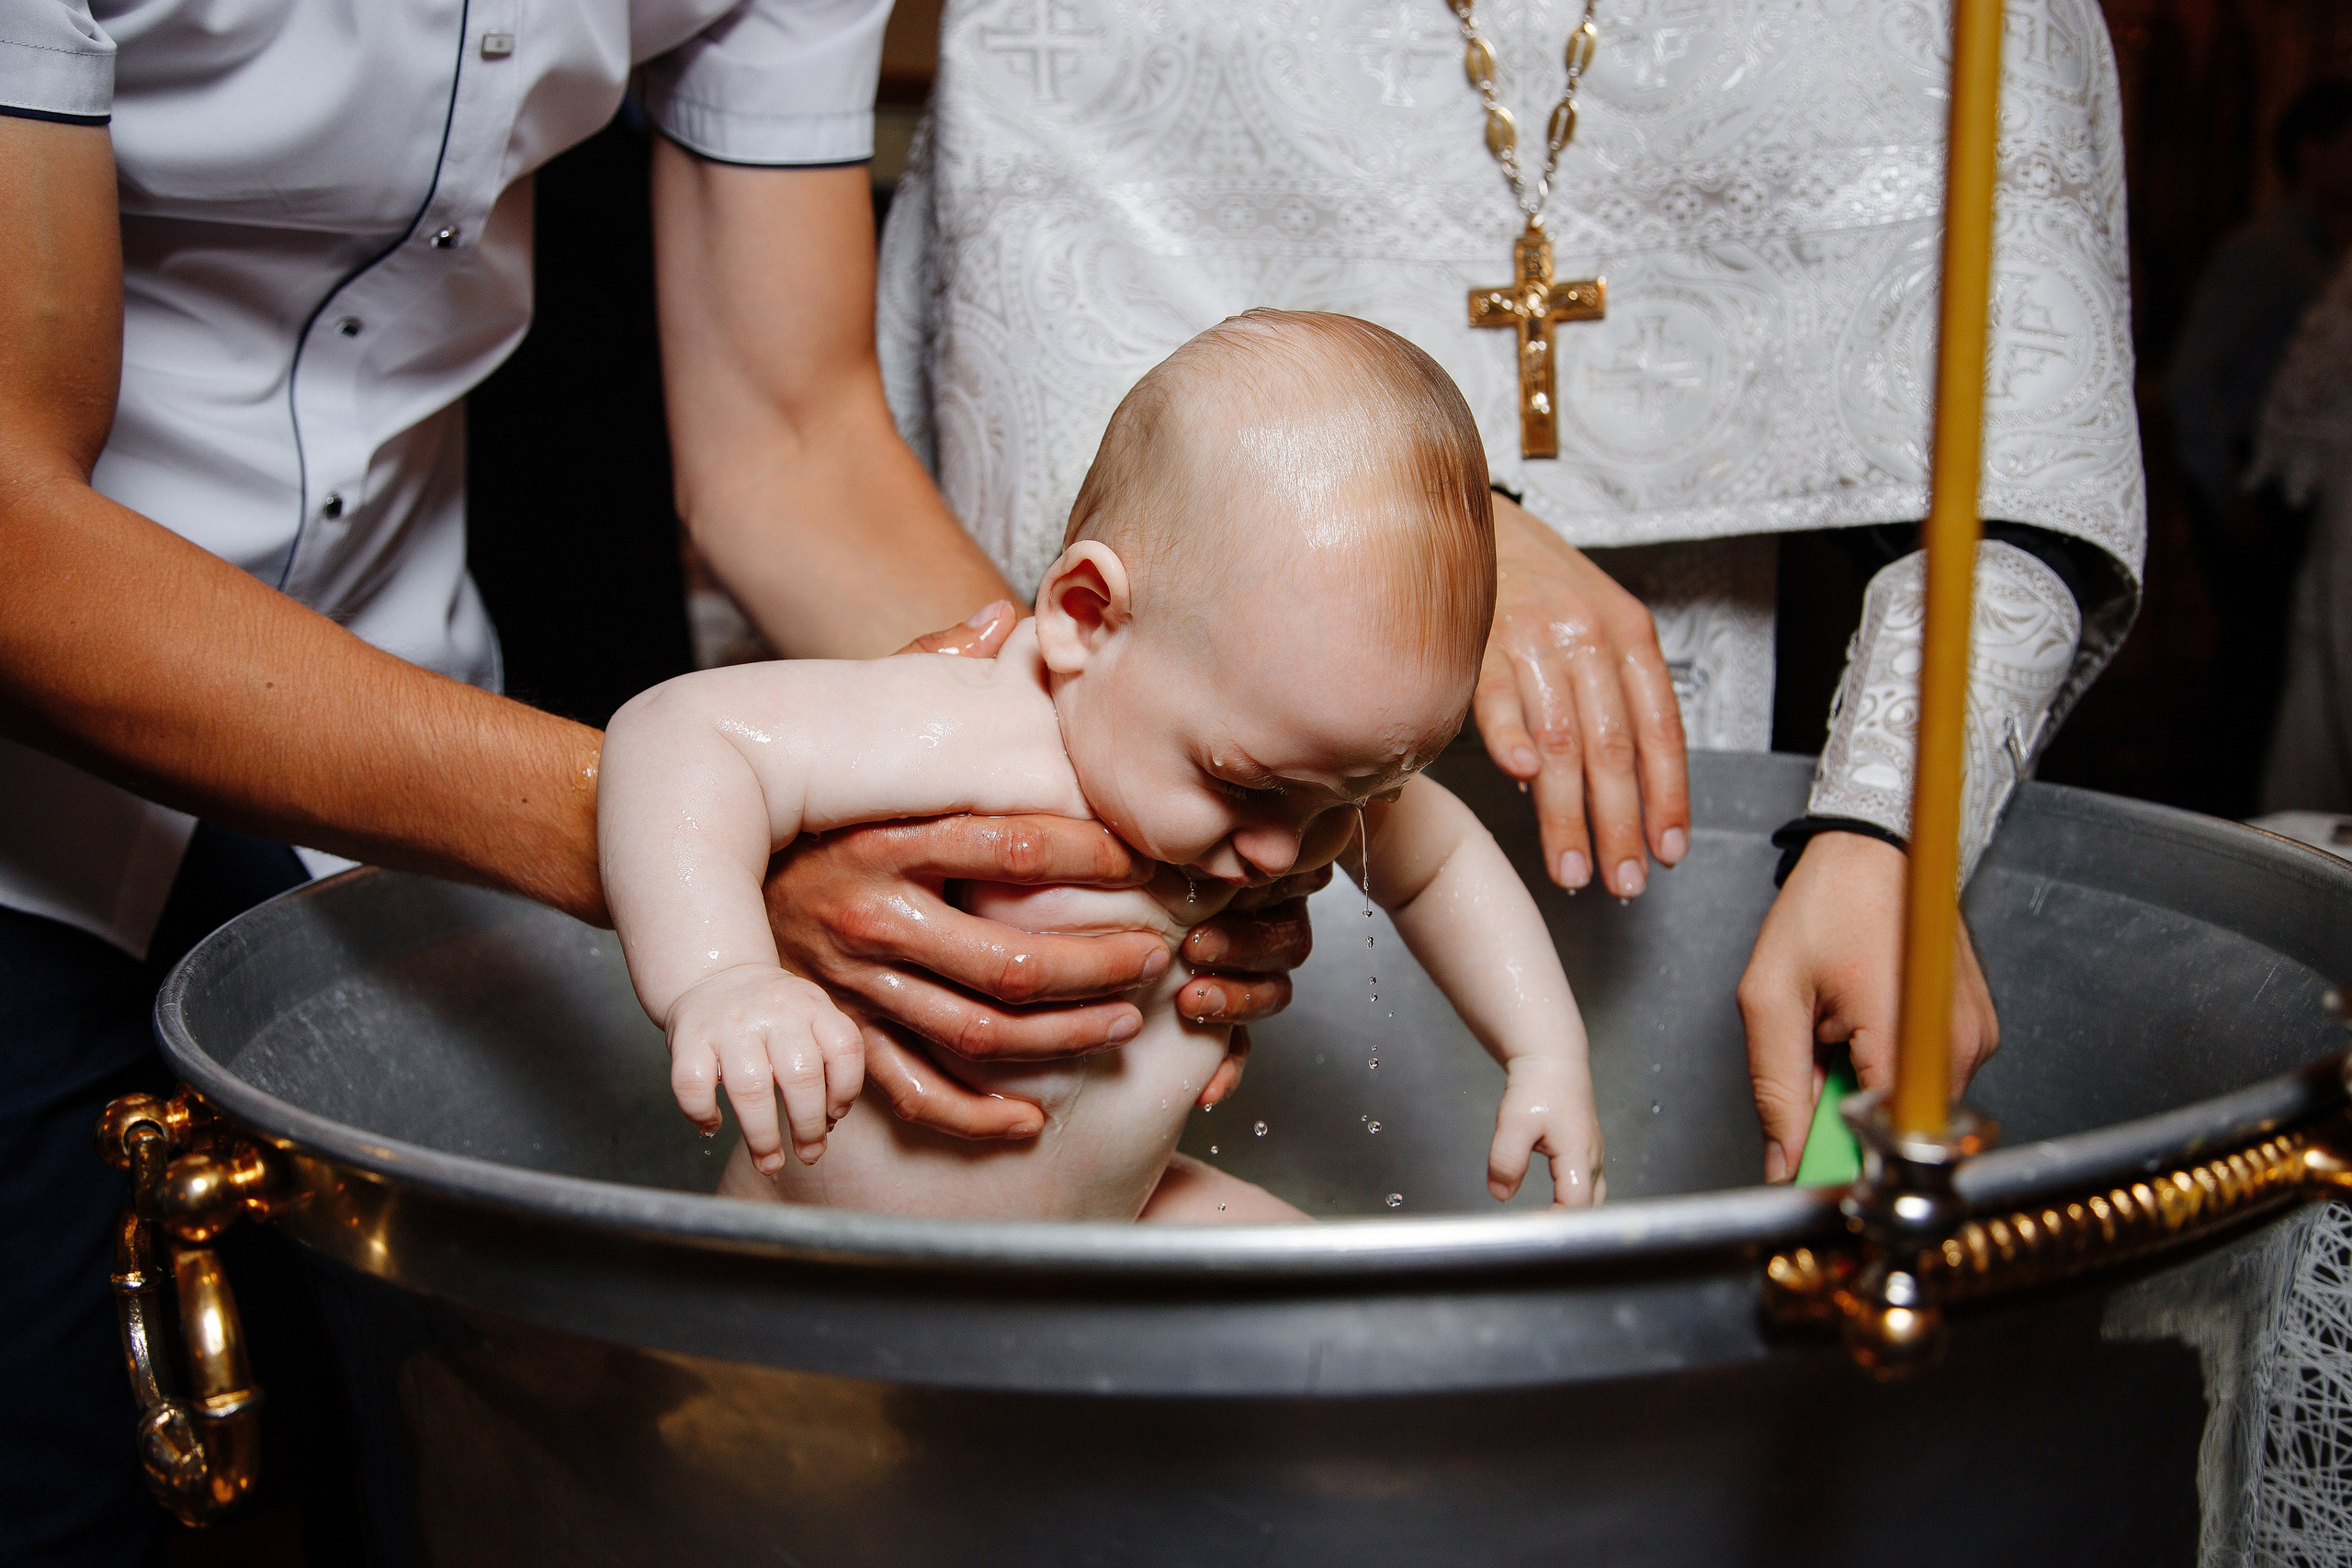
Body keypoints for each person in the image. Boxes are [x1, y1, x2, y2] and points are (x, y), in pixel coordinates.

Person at [0, 2, 1308, 1559]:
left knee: (449, 1463)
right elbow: (13, 526)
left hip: (412, 725)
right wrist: (685, 849)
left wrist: (1090, 819)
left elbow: (787, 441)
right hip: (46, 776)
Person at [876, 0, 2146, 1181]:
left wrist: (1887, 830)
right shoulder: (990, 707)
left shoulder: (1343, 817)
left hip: (1732, 814)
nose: (1283, 845)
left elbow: (2016, 415)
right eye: (1256, 792)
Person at [602, 311, 1601, 1221]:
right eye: (1244, 786)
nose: (1282, 848)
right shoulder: (975, 726)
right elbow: (681, 732)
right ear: (1085, 616)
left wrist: (1543, 1050)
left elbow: (1443, 863)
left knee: (1333, 1304)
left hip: (1108, 1228)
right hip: (829, 1259)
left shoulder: (1302, 769)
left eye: (1356, 796)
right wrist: (720, 977)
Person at [2166, 77, 2352, 812]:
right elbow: (2191, 378)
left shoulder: (2319, 254)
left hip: (2282, 490)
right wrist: (2226, 494)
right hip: (2259, 492)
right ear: (2312, 152)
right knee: (2252, 678)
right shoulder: (2263, 251)